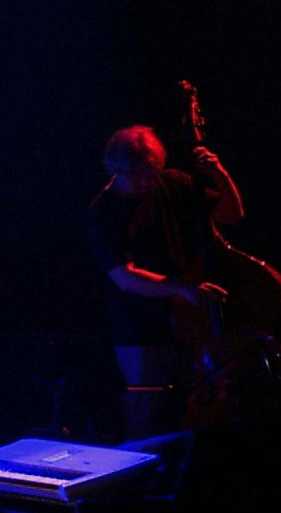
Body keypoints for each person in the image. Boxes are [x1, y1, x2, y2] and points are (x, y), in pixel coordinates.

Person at [88, 123, 246, 439]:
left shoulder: (172, 183)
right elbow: (124, 277)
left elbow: (232, 215)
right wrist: (182, 287)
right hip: (141, 334)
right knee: (149, 427)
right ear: (117, 170)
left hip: (190, 326)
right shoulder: (103, 211)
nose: (149, 182)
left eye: (153, 173)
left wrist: (219, 174)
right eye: (140, 176)